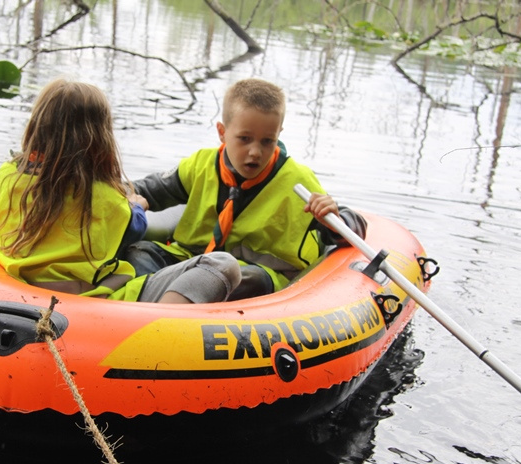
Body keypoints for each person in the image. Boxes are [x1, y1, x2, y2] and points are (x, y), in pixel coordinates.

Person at [0, 79, 241, 303]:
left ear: (36, 127)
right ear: (100, 139)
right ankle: (158, 330)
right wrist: (137, 205)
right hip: (89, 299)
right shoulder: (100, 195)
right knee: (222, 265)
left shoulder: (8, 176)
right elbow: (133, 228)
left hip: (17, 287)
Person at [124, 78, 367, 300]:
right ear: (222, 132)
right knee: (140, 252)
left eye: (267, 141)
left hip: (257, 272)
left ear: (278, 134)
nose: (255, 152)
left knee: (248, 280)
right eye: (244, 139)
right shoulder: (200, 164)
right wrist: (123, 194)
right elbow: (150, 189)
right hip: (191, 259)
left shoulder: (297, 180)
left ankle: (175, 303)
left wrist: (333, 218)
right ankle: (152, 305)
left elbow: (353, 226)